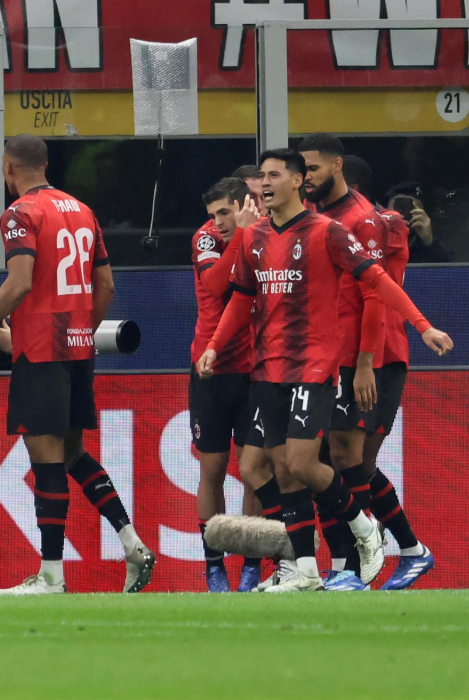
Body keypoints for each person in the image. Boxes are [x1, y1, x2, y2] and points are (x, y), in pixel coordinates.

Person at [197, 148, 453, 593]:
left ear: (297, 181)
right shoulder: (255, 237)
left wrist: (423, 325)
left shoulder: (327, 232)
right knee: (282, 471)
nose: (266, 183)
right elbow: (240, 297)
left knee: (303, 461)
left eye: (275, 175)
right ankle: (305, 571)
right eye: (262, 176)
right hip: (266, 368)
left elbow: (376, 281)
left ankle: (364, 528)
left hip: (313, 366)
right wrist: (215, 346)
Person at [0, 134, 156, 595]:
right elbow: (107, 286)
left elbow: (17, 285)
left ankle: (52, 575)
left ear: (8, 169)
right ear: (46, 163)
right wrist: (79, 330)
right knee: (73, 453)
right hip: (77, 350)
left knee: (47, 462)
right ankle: (132, 543)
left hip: (41, 354)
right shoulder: (82, 210)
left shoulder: (20, 214)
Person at [336, 157, 436, 589]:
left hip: (378, 353)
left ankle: (364, 563)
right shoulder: (333, 229)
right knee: (340, 462)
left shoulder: (382, 225)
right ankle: (402, 551)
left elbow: (378, 292)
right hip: (341, 355)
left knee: (353, 463)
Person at [299, 133, 392, 590]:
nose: (307, 177)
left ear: (336, 165)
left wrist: (365, 362)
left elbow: (375, 295)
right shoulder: (314, 216)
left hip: (351, 357)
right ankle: (341, 562)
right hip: (318, 355)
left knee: (344, 455)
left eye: (313, 168)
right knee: (317, 456)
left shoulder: (363, 219)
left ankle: (358, 562)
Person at [192, 177, 267, 592]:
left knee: (255, 469)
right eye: (214, 215)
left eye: (225, 212)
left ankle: (252, 565)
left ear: (244, 204)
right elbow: (216, 285)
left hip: (256, 370)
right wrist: (238, 233)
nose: (217, 221)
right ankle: (214, 564)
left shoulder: (269, 234)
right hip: (211, 369)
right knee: (213, 469)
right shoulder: (206, 239)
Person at [383, 183, 453, 263]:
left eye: (410, 210)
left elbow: (451, 271)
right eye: (397, 208)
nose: (401, 216)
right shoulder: (373, 246)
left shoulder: (428, 250)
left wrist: (429, 241)